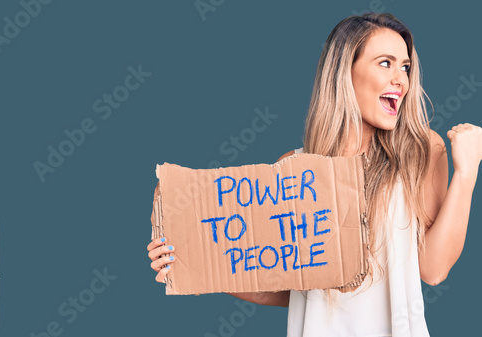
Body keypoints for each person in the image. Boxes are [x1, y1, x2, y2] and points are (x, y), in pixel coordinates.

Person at [147, 12, 482, 336]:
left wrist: (466, 174)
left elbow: (434, 270)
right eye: (385, 63)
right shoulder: (295, 169)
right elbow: (290, 289)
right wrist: (195, 262)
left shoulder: (420, 152)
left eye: (405, 66)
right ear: (344, 72)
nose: (401, 80)